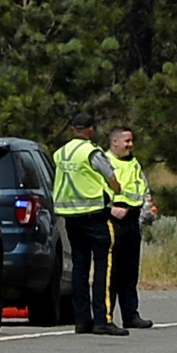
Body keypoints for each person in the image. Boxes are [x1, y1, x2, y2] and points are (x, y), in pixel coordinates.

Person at [49, 117, 118, 335]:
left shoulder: (61, 153)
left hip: (71, 217)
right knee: (102, 267)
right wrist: (116, 191)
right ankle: (102, 319)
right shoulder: (91, 152)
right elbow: (112, 178)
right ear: (90, 130)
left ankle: (82, 320)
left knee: (79, 268)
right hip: (94, 215)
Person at [105, 126, 152, 330]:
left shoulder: (133, 163)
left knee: (130, 270)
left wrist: (147, 210)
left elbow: (143, 188)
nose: (130, 145)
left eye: (131, 141)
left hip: (133, 219)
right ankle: (106, 315)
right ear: (114, 142)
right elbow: (97, 189)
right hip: (115, 219)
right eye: (126, 141)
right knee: (112, 271)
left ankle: (131, 314)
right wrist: (110, 208)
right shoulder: (105, 162)